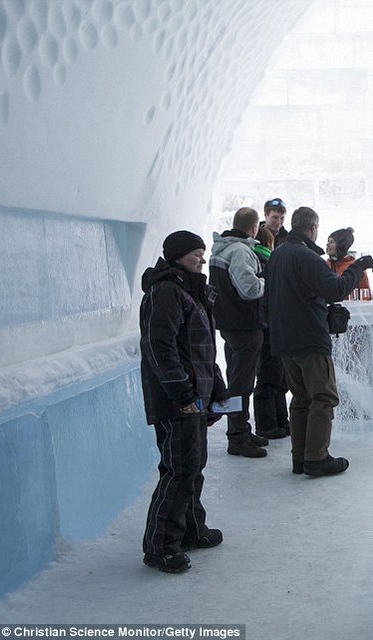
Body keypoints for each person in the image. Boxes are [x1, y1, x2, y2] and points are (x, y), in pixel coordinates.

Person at [140, 230, 227, 574]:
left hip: (195, 399)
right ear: (177, 256)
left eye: (203, 254)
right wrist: (184, 395)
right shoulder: (165, 293)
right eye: (196, 254)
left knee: (193, 466)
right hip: (177, 403)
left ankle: (190, 529)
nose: (201, 260)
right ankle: (160, 546)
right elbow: (160, 349)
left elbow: (202, 349)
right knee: (179, 471)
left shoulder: (189, 291)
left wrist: (216, 388)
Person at [265, 207, 373, 477]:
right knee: (323, 396)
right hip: (308, 337)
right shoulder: (306, 257)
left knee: (301, 397)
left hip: (284, 337)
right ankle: (317, 457)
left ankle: (300, 457)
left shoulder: (278, 254)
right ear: (313, 228)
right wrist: (357, 268)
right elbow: (334, 289)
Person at [209, 207, 268, 458]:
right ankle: (237, 437)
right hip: (245, 325)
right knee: (242, 383)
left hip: (228, 324)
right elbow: (249, 290)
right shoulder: (241, 251)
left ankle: (240, 428)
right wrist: (268, 280)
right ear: (254, 227)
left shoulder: (220, 250)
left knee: (236, 380)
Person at [252, 226, 290, 439]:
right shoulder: (265, 261)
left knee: (277, 377)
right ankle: (268, 425)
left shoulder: (267, 261)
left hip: (270, 325)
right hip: (269, 326)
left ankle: (279, 422)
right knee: (269, 377)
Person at [326, 226, 370, 293]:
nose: (327, 244)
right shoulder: (326, 264)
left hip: (351, 302)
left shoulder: (356, 266)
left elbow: (365, 292)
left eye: (331, 242)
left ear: (341, 245)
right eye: (328, 241)